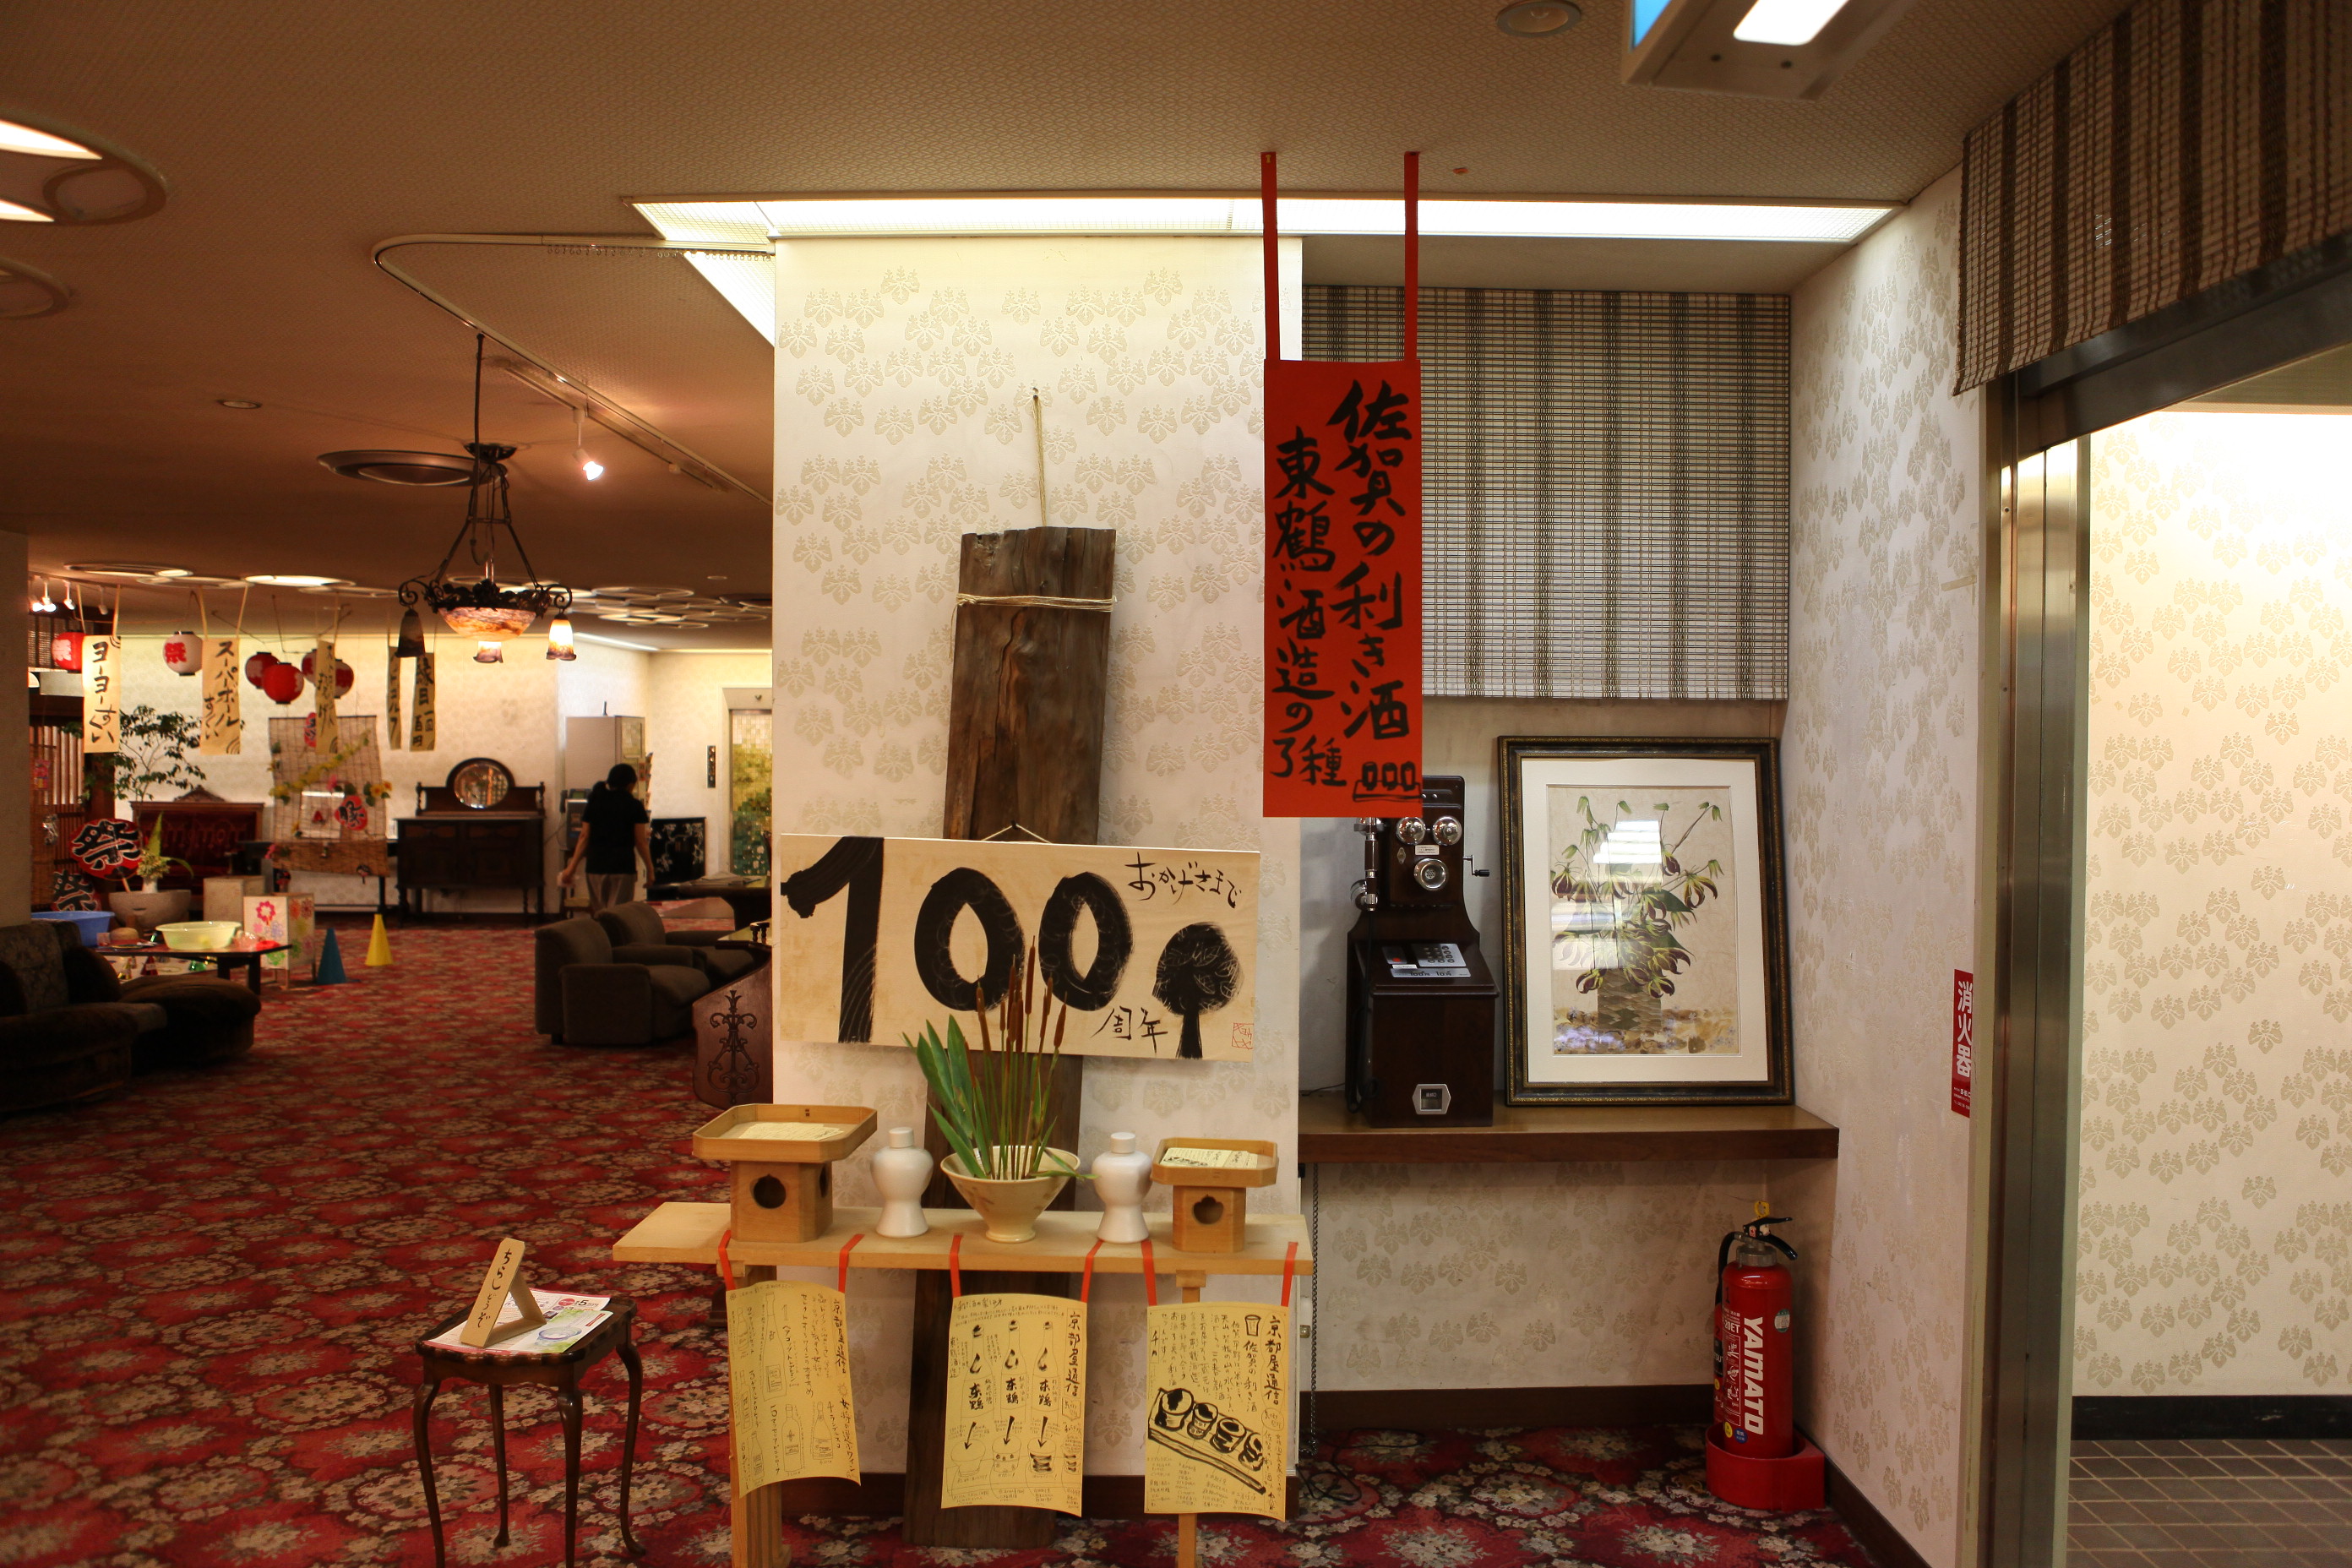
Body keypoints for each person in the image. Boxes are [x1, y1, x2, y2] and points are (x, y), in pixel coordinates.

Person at [558, 764, 652, 913]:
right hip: (622, 866)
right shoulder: (634, 806)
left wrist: (571, 867)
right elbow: (640, 842)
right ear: (631, 785)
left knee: (600, 913)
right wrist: (650, 870)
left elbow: (584, 837)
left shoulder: (594, 803)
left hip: (596, 866)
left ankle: (601, 929)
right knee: (619, 914)